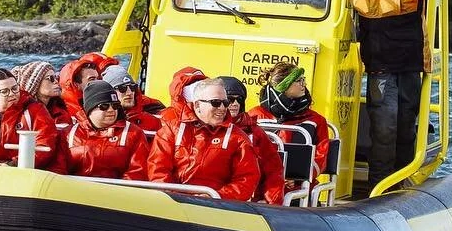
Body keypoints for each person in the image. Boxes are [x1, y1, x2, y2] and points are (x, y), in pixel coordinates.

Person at [349, 0, 452, 190]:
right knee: (384, 129)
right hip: (378, 64)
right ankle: (379, 187)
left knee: (406, 127)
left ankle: (402, 184)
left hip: (409, 62)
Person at [137, 67, 260, 201]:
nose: (222, 108)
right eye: (215, 103)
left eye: (225, 103)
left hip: (217, 206)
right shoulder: (173, 130)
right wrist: (172, 198)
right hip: (173, 204)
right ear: (197, 105)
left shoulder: (238, 138)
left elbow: (246, 179)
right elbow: (158, 168)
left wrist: (217, 197)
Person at [247, 62, 333, 183]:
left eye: (304, 80)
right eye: (299, 80)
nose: (304, 84)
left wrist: (299, 177)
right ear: (284, 86)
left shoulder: (315, 120)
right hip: (261, 185)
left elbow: (321, 157)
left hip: (300, 187)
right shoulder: (255, 116)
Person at [218, 75, 285, 205]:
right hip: (211, 197)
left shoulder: (255, 132)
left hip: (249, 202)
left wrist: (270, 201)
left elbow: (274, 170)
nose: (235, 104)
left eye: (240, 100)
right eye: (230, 99)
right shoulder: (204, 131)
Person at [64, 79, 150, 179]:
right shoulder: (69, 134)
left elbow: (138, 171)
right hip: (75, 190)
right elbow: (59, 168)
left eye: (115, 105)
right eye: (104, 106)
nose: (111, 110)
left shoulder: (133, 133)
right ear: (90, 108)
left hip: (119, 191)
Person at [101, 63, 166, 135]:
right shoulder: (98, 122)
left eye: (132, 87)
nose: (129, 92)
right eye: (122, 88)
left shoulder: (154, 117)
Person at [15, 60, 70, 128]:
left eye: (56, 77)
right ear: (35, 84)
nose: (56, 81)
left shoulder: (62, 110)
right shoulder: (25, 116)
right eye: (50, 78)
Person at [58, 55, 104, 121]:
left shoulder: (105, 105)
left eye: (99, 79)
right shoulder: (63, 116)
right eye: (92, 79)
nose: (98, 82)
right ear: (76, 85)